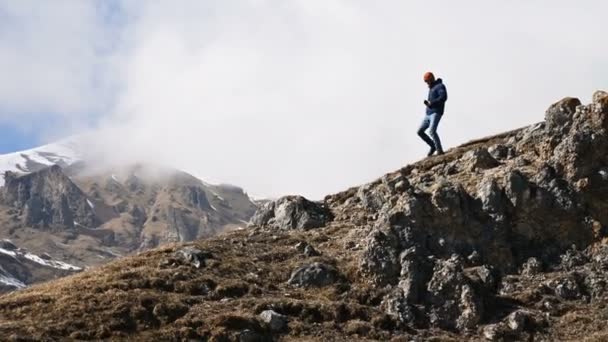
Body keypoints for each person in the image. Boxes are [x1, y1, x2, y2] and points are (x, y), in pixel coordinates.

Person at [418, 72, 447, 156]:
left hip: (436, 112)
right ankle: (433, 146)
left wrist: (432, 103)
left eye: (427, 81)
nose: (426, 83)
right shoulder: (431, 88)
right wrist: (428, 105)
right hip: (428, 114)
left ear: (431, 79)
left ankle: (439, 151)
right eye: (425, 81)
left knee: (432, 131)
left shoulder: (440, 86)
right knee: (420, 132)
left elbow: (443, 97)